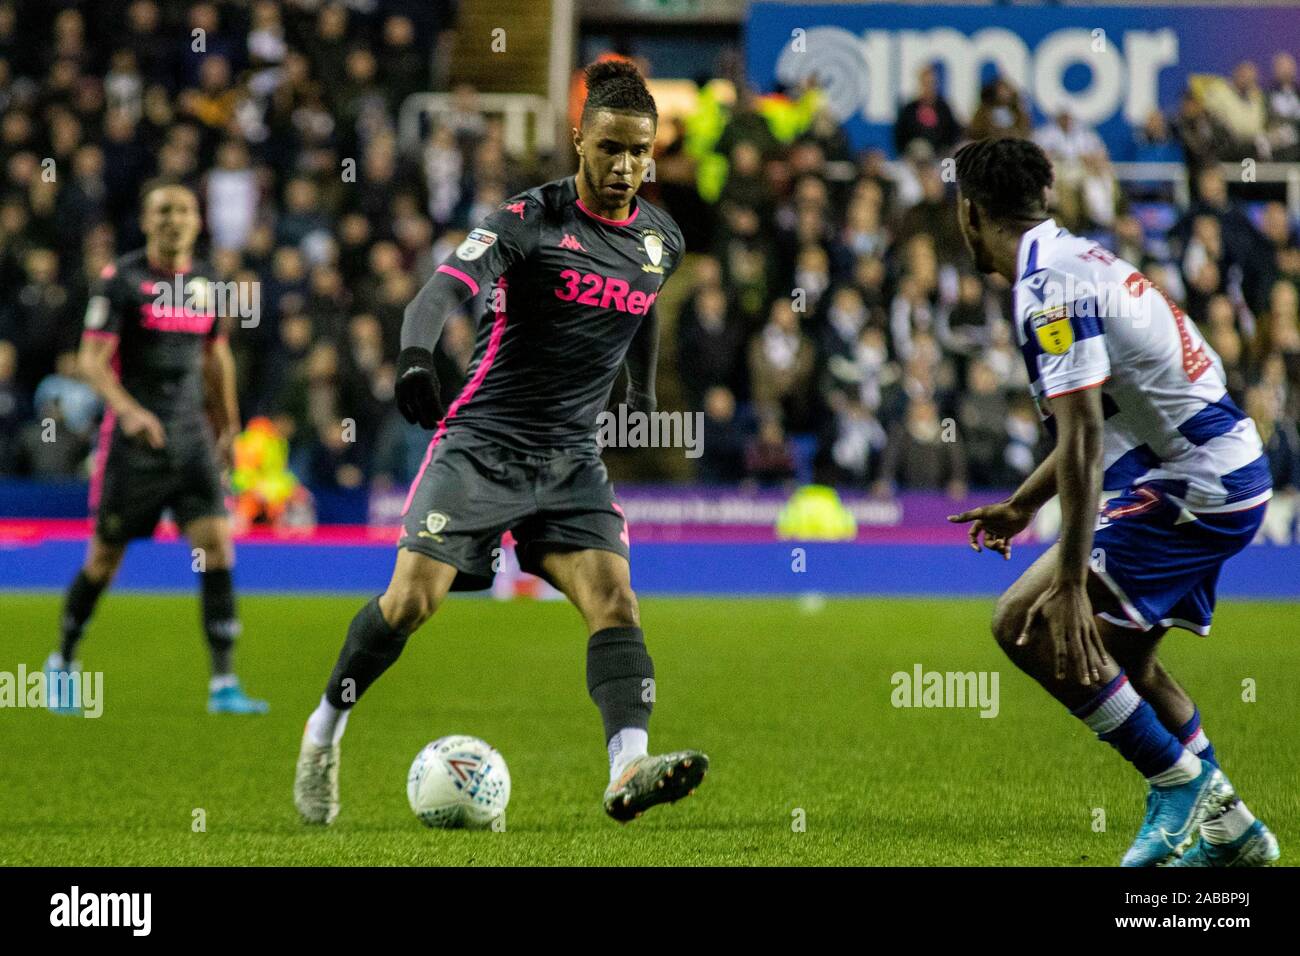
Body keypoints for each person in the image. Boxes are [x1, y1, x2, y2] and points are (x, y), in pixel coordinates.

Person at [294, 61, 707, 826]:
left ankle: (627, 768)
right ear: (578, 138)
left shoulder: (661, 240)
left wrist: (643, 393)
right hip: (482, 443)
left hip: (571, 458)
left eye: (639, 153)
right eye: (610, 148)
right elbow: (440, 289)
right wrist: (416, 354)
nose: (624, 168)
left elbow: (644, 307)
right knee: (411, 603)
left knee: (616, 601)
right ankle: (324, 730)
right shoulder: (529, 218)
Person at [949, 137, 1278, 867]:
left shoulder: (1046, 288)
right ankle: (1234, 833)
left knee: (1025, 626)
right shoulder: (1075, 259)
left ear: (969, 214)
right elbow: (1094, 420)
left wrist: (1069, 581)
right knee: (1124, 661)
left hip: (1197, 485)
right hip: (1216, 471)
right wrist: (1024, 506)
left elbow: (1085, 436)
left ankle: (1177, 783)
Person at [43, 181, 267, 715]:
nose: (174, 219)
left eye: (185, 210)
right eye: (163, 210)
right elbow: (92, 361)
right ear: (146, 221)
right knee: (104, 558)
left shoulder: (211, 281)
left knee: (216, 545)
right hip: (134, 444)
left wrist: (229, 427)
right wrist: (129, 411)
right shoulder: (120, 280)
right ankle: (62, 664)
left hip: (191, 439)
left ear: (197, 221)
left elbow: (217, 358)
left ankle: (224, 685)